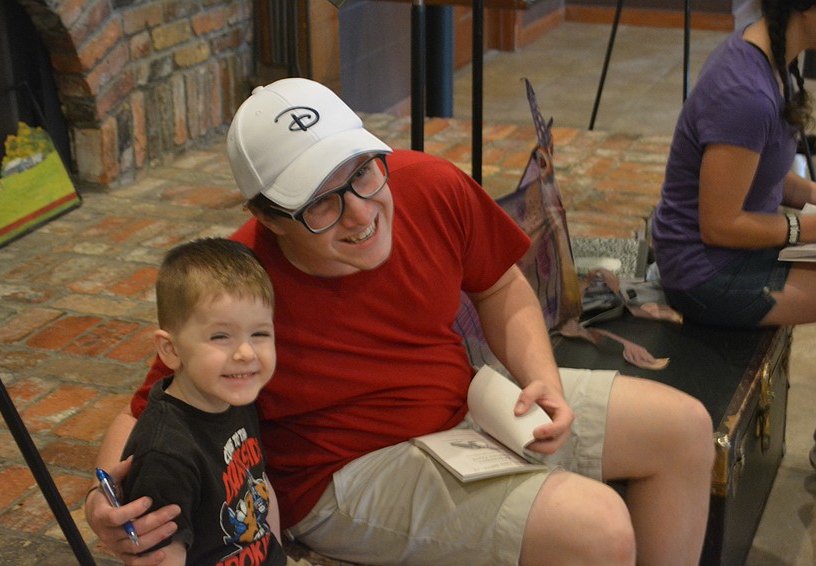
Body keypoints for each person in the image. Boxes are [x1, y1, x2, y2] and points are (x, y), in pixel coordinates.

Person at [86, 77, 714, 566]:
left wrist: (540, 376)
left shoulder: (428, 185)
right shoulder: (237, 280)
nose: (362, 214)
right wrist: (105, 501)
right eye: (322, 204)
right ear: (270, 219)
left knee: (684, 429)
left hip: (464, 407)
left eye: (362, 172)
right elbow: (150, 411)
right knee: (596, 528)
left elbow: (500, 286)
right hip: (342, 474)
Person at [650, 0, 816, 465]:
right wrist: (804, 226)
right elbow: (720, 224)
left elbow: (765, 174)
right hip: (703, 272)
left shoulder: (773, 61)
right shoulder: (747, 92)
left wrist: (812, 195)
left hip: (731, 252)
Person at [114, 237, 306, 565]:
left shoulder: (234, 396)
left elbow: (258, 485)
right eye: (220, 336)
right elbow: (163, 554)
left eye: (260, 333)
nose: (245, 353)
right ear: (171, 350)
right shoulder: (166, 455)